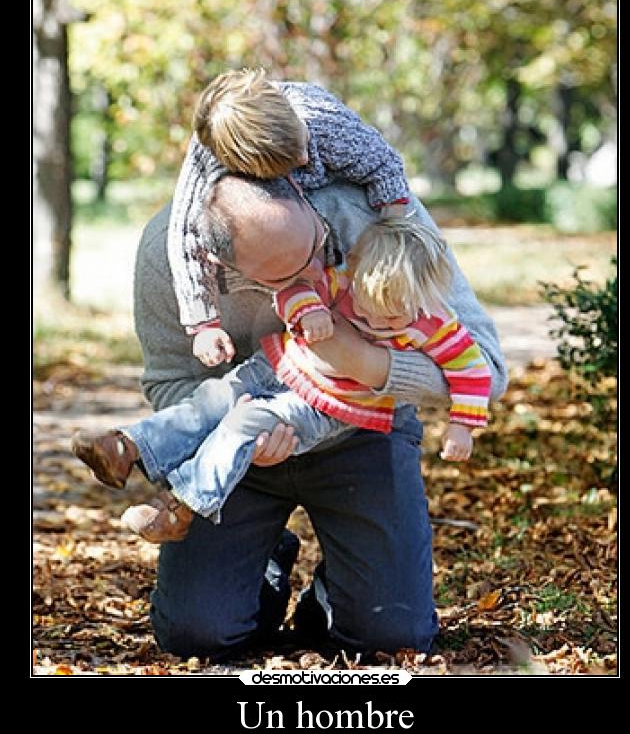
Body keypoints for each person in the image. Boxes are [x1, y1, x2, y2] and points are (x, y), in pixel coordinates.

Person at [105, 175, 507, 661]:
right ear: (218, 260)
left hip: (360, 430)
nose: (311, 274)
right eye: (280, 274)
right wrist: (236, 432)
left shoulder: (378, 211)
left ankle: (341, 590)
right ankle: (263, 558)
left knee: (390, 639)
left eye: (316, 248)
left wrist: (359, 360)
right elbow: (168, 381)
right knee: (197, 635)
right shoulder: (167, 247)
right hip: (236, 435)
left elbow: (486, 367)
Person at [71, 210, 492, 545]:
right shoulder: (346, 283)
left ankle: (180, 508)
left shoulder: (435, 324)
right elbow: (294, 288)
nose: (371, 317)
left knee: (245, 422)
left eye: (392, 314)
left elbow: (473, 370)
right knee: (217, 397)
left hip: (327, 405)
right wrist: (308, 310)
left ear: (423, 299)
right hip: (277, 365)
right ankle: (130, 446)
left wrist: (462, 425)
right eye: (365, 304)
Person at [168, 68, 414, 368]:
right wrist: (204, 323)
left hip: (328, 217)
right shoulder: (210, 161)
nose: (304, 159)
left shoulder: (325, 122)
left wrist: (391, 243)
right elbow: (186, 235)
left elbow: (386, 167)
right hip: (273, 222)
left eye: (301, 144)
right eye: (289, 159)